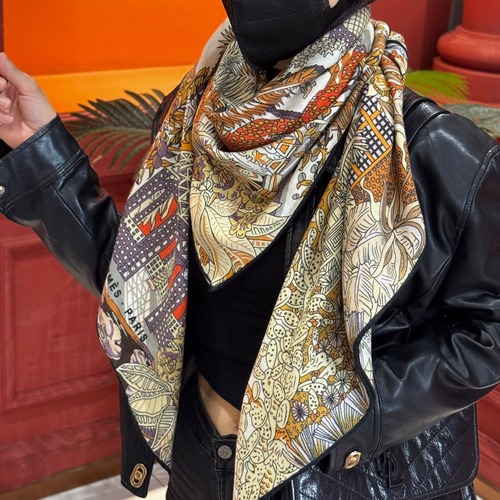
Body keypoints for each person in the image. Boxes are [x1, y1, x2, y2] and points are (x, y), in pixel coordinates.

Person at [0, 0, 499, 498]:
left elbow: (489, 327)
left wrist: (352, 418)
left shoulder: (432, 150)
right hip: (201, 457)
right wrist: (38, 148)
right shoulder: (194, 116)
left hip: (342, 476)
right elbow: (143, 281)